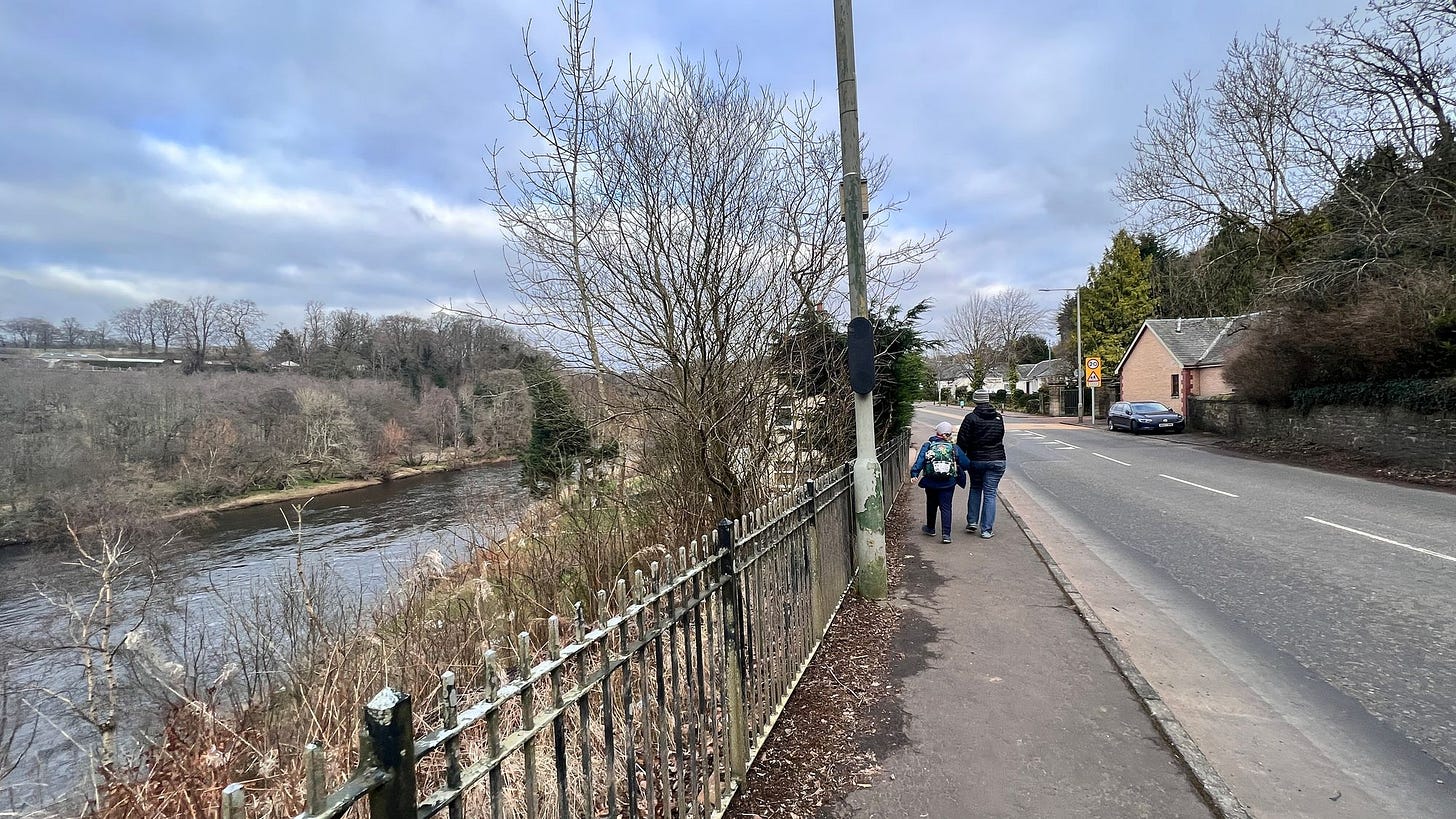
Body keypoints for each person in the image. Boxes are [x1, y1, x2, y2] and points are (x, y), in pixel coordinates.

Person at [956, 388, 1006, 539]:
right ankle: (986, 530)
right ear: (988, 400)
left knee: (976, 488)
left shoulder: (971, 418)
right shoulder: (998, 417)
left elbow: (962, 440)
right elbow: (1000, 436)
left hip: (976, 460)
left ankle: (972, 521)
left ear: (975, 401)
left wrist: (962, 458)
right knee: (990, 493)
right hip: (997, 459)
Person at [909, 421, 967, 544]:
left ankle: (930, 528)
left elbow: (920, 461)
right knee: (946, 507)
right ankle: (946, 535)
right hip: (948, 482)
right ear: (949, 434)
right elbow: (966, 463)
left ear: (937, 433)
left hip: (931, 481)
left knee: (931, 504)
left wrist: (914, 474)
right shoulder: (953, 447)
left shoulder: (928, 445)